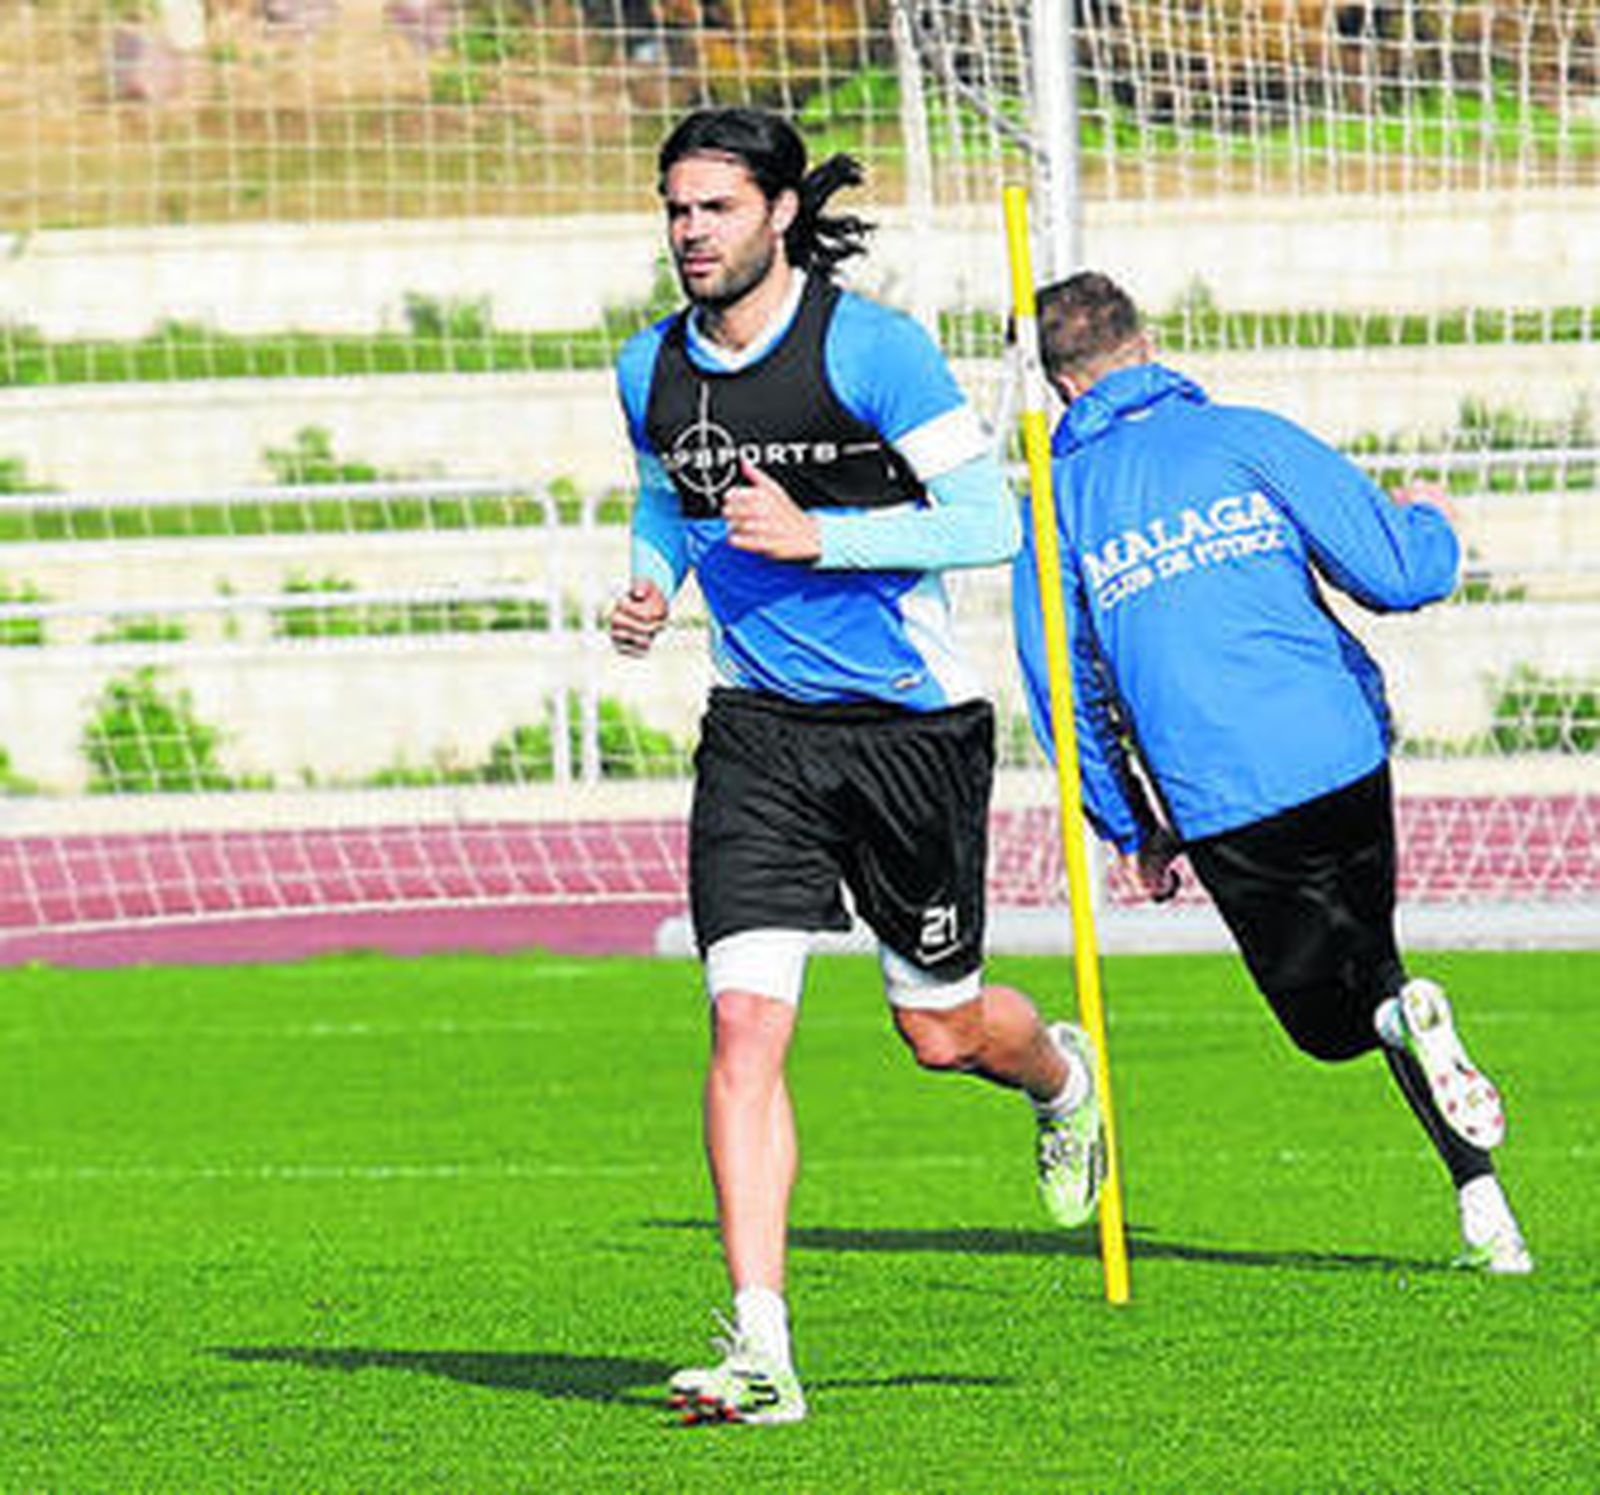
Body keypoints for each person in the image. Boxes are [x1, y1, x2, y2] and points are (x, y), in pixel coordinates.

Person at [608, 107, 1106, 1426]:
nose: (687, 233)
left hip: (909, 732)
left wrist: (817, 536)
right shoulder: (648, 363)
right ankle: (761, 1344)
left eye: (712, 208)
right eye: (673, 208)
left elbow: (992, 517)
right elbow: (674, 489)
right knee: (741, 1021)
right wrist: (654, 580)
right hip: (758, 729)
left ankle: (1059, 1072)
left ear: (778, 214)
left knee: (938, 1028)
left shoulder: (870, 347)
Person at [1012, 270, 1531, 1277]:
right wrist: (1431, 519)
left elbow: (1063, 693)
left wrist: (1129, 828)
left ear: (1059, 386)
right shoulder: (1247, 434)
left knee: (1332, 1025)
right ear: (1146, 344)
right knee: (1379, 962)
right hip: (1342, 752)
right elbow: (1398, 573)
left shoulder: (1061, 499)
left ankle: (1404, 1032)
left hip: (1227, 793)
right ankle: (1486, 1215)